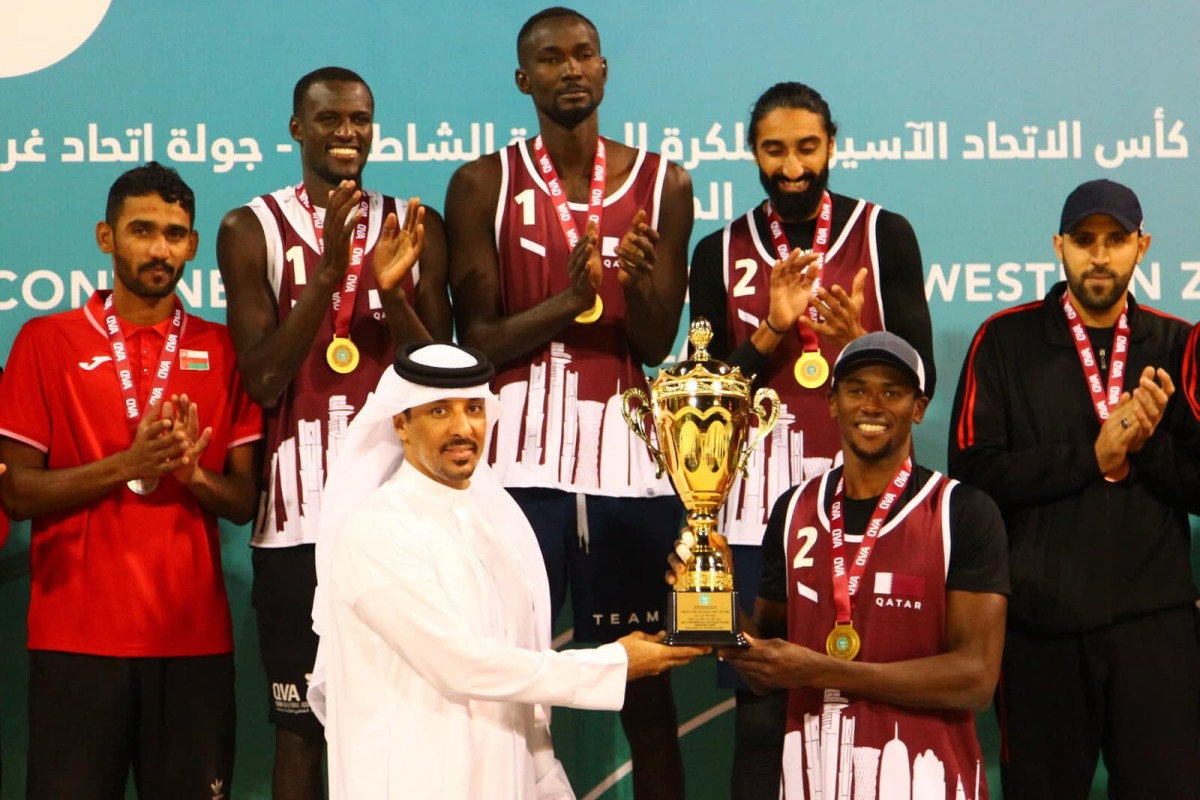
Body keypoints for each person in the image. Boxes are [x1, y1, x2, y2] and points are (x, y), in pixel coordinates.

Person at [444, 8, 694, 797]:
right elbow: (476, 344)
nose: (570, 69)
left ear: (606, 68)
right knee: (502, 681)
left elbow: (653, 346)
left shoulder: (664, 184)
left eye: (584, 54)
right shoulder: (481, 183)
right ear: (524, 80)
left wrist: (645, 284)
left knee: (646, 688)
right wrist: (572, 300)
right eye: (550, 59)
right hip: (513, 466)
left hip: (626, 466)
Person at [311, 342, 705, 799]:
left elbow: (521, 693)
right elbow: (459, 663)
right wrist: (612, 662)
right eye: (439, 411)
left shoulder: (500, 530)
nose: (463, 428)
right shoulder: (375, 530)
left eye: (474, 409)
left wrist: (549, 784)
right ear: (400, 423)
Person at [687, 81, 936, 799]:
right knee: (762, 703)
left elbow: (924, 378)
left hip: (869, 505)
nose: (791, 165)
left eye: (805, 147)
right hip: (754, 511)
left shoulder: (884, 234)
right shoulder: (719, 250)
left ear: (831, 146)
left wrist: (854, 341)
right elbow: (703, 404)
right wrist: (769, 330)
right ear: (752, 154)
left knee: (874, 690)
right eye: (774, 149)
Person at [216, 65, 449, 800]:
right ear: (297, 129)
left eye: (360, 119)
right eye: (329, 119)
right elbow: (260, 380)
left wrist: (389, 292)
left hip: (398, 519)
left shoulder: (415, 226)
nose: (347, 132)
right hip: (295, 527)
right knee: (298, 728)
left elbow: (442, 376)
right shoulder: (249, 228)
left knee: (408, 718)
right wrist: (326, 276)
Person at [0, 162, 262, 800]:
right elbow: (17, 492)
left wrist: (192, 474)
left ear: (194, 246)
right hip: (74, 640)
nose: (159, 248)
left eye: (175, 234)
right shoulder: (44, 341)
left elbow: (242, 501)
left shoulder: (227, 349)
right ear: (105, 237)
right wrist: (129, 466)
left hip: (192, 642)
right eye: (141, 230)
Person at [948, 179, 1200, 799]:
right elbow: (972, 479)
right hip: (1042, 626)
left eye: (1116, 240)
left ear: (1142, 246)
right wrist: (1090, 458)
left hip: (1156, 626)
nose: (1099, 255)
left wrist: (1147, 450)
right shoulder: (1003, 340)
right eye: (1084, 240)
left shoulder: (1178, 342)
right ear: (1058, 245)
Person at [674, 332, 1007, 799]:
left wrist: (820, 670)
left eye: (891, 392)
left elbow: (976, 679)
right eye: (856, 389)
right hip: (812, 781)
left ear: (919, 408)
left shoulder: (962, 512)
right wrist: (710, 599)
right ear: (832, 403)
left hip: (923, 784)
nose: (872, 404)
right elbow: (765, 663)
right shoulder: (793, 510)